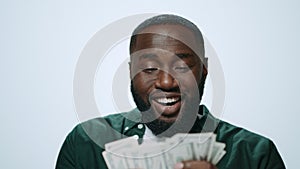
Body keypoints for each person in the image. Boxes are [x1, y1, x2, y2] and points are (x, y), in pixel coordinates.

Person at [56, 14, 286, 169]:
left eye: (182, 66)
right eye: (149, 68)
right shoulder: (85, 143)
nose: (166, 82)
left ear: (203, 71)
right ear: (131, 73)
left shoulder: (256, 155)